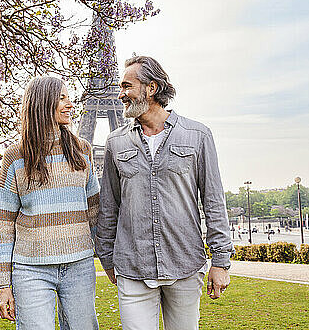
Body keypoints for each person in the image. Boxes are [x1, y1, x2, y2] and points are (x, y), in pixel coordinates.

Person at [96, 56, 235, 330]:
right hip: (132, 267)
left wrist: (220, 262)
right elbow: (109, 206)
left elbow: (214, 202)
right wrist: (107, 257)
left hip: (184, 264)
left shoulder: (198, 135)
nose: (121, 94)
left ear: (151, 88)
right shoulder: (116, 141)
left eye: (127, 86)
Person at [0, 76, 100, 330]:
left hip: (79, 267)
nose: (70, 104)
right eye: (62, 98)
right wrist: (3, 285)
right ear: (42, 103)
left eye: (69, 97)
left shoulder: (82, 150)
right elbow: (2, 224)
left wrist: (108, 260)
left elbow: (95, 212)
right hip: (31, 270)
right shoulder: (15, 156)